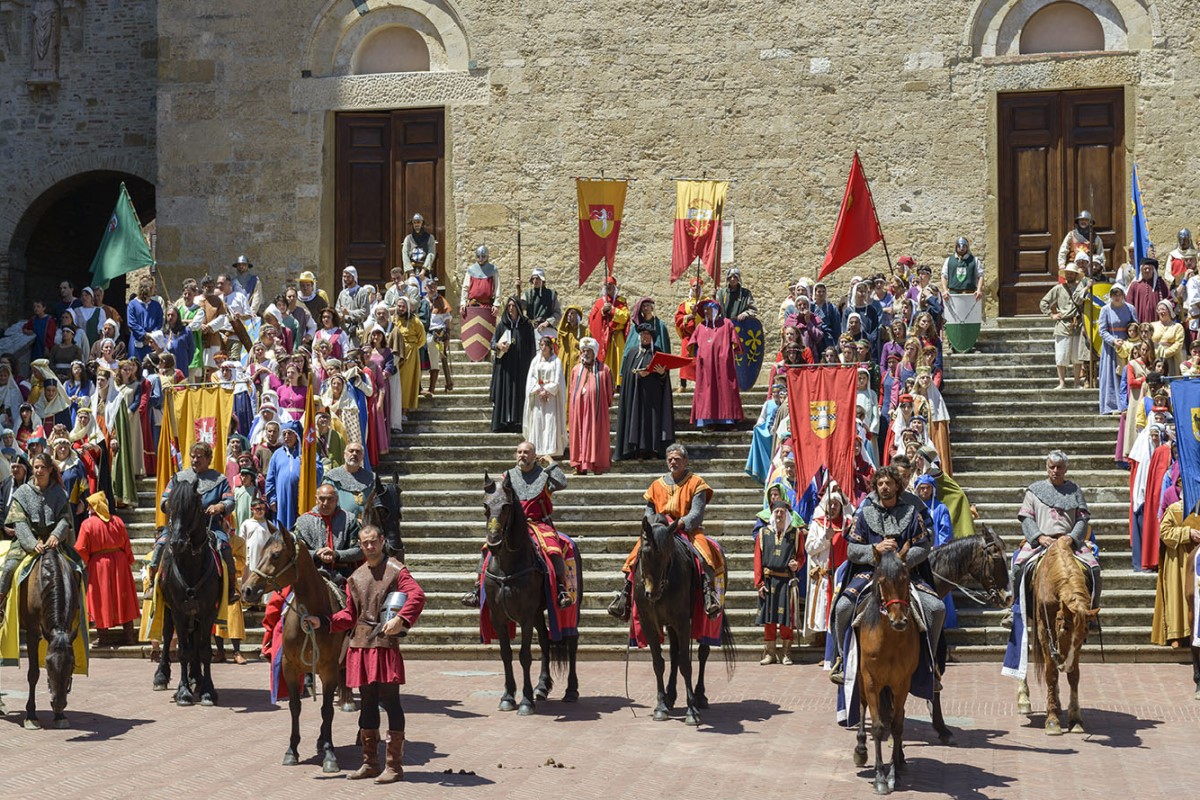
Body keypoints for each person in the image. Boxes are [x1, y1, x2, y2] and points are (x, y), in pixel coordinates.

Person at [307, 525, 425, 783]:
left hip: (384, 643)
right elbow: (349, 615)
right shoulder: (356, 576)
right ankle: (370, 763)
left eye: (374, 542)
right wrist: (323, 621)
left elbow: (417, 595)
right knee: (368, 702)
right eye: (365, 543)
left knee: (391, 701)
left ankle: (394, 767)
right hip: (360, 645)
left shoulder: (396, 570)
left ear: (382, 541)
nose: (370, 547)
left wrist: (402, 619)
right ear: (360, 545)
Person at [829, 466, 944, 687]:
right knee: (843, 607)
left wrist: (900, 561)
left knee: (936, 608)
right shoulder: (864, 514)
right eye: (880, 483)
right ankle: (842, 660)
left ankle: (929, 663)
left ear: (897, 486)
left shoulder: (912, 513)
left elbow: (924, 545)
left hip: (904, 574)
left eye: (888, 483)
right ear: (875, 487)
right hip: (870, 573)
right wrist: (876, 549)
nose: (884, 487)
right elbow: (852, 550)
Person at [608, 444, 723, 620]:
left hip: (686, 529)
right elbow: (649, 511)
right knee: (635, 555)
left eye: (677, 459)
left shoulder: (697, 483)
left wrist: (682, 523)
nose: (673, 462)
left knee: (704, 554)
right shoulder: (656, 485)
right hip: (659, 531)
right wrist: (655, 526)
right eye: (670, 459)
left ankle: (709, 594)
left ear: (685, 461)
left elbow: (697, 513)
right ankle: (625, 595)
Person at [1011, 451, 1100, 620]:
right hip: (1041, 542)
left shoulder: (1074, 490)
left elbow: (1082, 519)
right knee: (1018, 568)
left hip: (1070, 542)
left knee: (1094, 570)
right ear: (1047, 468)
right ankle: (1015, 610)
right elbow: (1027, 518)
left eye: (1059, 467)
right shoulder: (1034, 491)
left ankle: (1091, 613)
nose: (1055, 470)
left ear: (1066, 469)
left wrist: (1072, 537)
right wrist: (1038, 537)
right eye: (1052, 467)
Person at [149, 443, 239, 606]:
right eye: (193, 456)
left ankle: (231, 588)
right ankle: (151, 582)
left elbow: (230, 500)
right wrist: (176, 504)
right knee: (161, 545)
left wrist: (220, 506)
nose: (195, 460)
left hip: (209, 526)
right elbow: (164, 501)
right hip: (180, 527)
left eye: (199, 457)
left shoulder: (219, 480)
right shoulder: (179, 478)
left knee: (224, 546)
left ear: (209, 459)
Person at [0, 453, 77, 625]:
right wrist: (32, 543)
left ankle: (76, 606)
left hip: (53, 541)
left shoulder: (59, 493)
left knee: (78, 568)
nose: (39, 470)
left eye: (43, 467)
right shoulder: (22, 493)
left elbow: (65, 518)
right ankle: (1, 604)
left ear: (50, 470)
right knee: (9, 568)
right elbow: (19, 522)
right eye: (36, 467)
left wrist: (56, 535)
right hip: (26, 542)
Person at [74, 489, 139, 646]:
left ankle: (103, 637)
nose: (89, 509)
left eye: (90, 506)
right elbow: (126, 544)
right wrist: (129, 560)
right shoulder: (118, 521)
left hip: (98, 565)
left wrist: (85, 563)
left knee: (100, 598)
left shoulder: (87, 524)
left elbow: (81, 548)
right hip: (120, 562)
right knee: (123, 596)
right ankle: (129, 635)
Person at [754, 500, 804, 666]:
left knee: (786, 619)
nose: (779, 515)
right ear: (772, 514)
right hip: (768, 581)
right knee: (769, 620)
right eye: (777, 512)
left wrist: (797, 564)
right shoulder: (763, 533)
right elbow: (757, 560)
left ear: (787, 514)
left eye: (782, 512)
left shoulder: (795, 534)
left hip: (786, 581)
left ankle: (786, 653)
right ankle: (770, 653)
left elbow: (801, 556)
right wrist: (759, 583)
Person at [615, 322, 675, 460]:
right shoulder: (632, 353)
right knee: (636, 421)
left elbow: (664, 380)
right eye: (642, 334)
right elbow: (628, 375)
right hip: (635, 397)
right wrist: (637, 374)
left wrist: (661, 373)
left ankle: (653, 450)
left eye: (647, 335)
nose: (644, 337)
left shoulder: (658, 352)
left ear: (652, 337)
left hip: (654, 398)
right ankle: (638, 450)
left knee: (653, 422)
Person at [1151, 484, 1200, 648]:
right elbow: (1164, 532)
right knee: (1177, 595)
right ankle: (1177, 634)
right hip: (1178, 562)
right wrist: (1188, 533)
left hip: (1198, 562)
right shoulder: (1174, 509)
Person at [803, 482, 850, 642]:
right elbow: (809, 547)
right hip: (824, 574)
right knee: (823, 613)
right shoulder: (818, 524)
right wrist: (825, 539)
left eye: (836, 504)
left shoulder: (848, 524)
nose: (833, 507)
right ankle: (825, 650)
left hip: (843, 576)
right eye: (830, 503)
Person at [690, 299, 743, 428]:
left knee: (726, 389)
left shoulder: (727, 324)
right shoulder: (701, 326)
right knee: (706, 392)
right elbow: (692, 345)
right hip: (706, 367)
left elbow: (736, 343)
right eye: (704, 310)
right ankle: (707, 421)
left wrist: (727, 353)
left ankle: (728, 421)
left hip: (723, 365)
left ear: (715, 310)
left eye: (709, 309)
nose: (706, 312)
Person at [294, 482, 362, 583]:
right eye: (322, 498)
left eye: (330, 499)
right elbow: (295, 551)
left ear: (337, 500)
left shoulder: (350, 520)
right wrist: (317, 554)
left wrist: (336, 554)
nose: (325, 503)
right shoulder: (303, 521)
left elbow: (359, 551)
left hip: (343, 575)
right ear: (316, 499)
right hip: (310, 573)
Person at [567, 337, 614, 476]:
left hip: (596, 411)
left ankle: (596, 465)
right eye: (583, 351)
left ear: (594, 352)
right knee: (580, 435)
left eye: (588, 351)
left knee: (595, 435)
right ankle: (580, 466)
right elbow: (571, 390)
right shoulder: (576, 370)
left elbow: (609, 391)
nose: (585, 354)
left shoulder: (604, 369)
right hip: (579, 412)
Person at [489, 297, 535, 434]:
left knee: (519, 393)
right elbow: (492, 343)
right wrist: (498, 345)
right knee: (504, 392)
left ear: (518, 308)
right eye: (508, 306)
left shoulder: (527, 326)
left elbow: (532, 346)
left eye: (513, 306)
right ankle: (502, 423)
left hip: (522, 367)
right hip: (505, 367)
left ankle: (518, 422)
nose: (510, 308)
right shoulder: (502, 325)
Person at [1040, 259, 1086, 389]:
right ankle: (1062, 382)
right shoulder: (1059, 289)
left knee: (1077, 357)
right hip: (1063, 325)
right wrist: (1051, 315)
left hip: (1077, 324)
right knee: (1061, 355)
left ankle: (1076, 382)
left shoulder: (1081, 288)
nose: (1070, 275)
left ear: (1076, 275)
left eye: (1072, 273)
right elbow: (1044, 302)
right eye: (1068, 273)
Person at [523, 332, 567, 458]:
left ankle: (551, 449)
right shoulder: (535, 361)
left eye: (545, 345)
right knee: (538, 421)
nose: (543, 347)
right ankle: (537, 448)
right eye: (541, 345)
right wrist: (538, 390)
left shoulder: (556, 362)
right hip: (537, 396)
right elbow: (531, 378)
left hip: (550, 397)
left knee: (549, 421)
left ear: (550, 347)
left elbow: (557, 379)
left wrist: (546, 390)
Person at [1097, 284, 1138, 415]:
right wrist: (1113, 341)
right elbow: (1102, 330)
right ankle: (1111, 405)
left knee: (1126, 374)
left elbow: (1135, 325)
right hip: (1112, 347)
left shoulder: (1130, 308)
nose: (1117, 297)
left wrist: (1130, 340)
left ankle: (1126, 404)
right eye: (1114, 294)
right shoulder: (1105, 309)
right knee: (1111, 374)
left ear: (1123, 295)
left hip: (1127, 345)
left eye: (1119, 294)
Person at [265, 421, 312, 531]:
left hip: (301, 496)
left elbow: (318, 470)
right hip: (283, 497)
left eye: (290, 433)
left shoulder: (305, 453)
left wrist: (307, 464)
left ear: (296, 435)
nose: (286, 437)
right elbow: (270, 478)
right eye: (284, 434)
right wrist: (272, 499)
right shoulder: (277, 454)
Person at [388, 296, 426, 423]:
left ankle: (404, 410)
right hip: (395, 352)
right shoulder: (393, 320)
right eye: (398, 306)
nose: (400, 308)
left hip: (410, 354)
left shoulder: (415, 322)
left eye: (403, 306)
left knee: (406, 383)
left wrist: (411, 348)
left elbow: (422, 340)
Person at [588, 277, 630, 387]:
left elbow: (625, 317)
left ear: (615, 287)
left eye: (611, 285)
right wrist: (602, 312)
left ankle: (619, 385)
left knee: (619, 361)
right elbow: (592, 319)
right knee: (606, 362)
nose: (608, 287)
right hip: (604, 338)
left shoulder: (621, 301)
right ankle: (606, 383)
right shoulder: (599, 302)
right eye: (606, 285)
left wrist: (612, 310)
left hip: (618, 336)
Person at [324, 441, 374, 521]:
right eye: (351, 451)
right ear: (344, 455)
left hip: (366, 526)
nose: (354, 454)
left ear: (362, 456)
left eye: (358, 452)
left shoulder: (371, 478)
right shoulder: (332, 477)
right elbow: (325, 504)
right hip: (340, 525)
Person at [674, 276, 706, 389]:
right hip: (689, 335)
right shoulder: (685, 304)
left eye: (698, 287)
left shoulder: (706, 302)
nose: (696, 289)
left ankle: (702, 383)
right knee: (684, 358)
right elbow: (678, 318)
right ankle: (683, 384)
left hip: (703, 336)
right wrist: (690, 316)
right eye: (694, 286)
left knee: (703, 360)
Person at [1057, 210, 1106, 274]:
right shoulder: (1071, 235)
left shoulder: (1095, 237)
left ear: (1090, 222)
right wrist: (1061, 264)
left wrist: (1101, 266)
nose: (1083, 222)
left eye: (1086, 220)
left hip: (1089, 268)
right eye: (1081, 220)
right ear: (1078, 222)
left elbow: (1101, 253)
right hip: (1073, 267)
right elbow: (1063, 251)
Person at [459, 245, 501, 316]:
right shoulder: (471, 270)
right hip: (473, 305)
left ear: (487, 256)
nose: (480, 259)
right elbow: (465, 288)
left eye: (483, 256)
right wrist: (463, 303)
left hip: (487, 307)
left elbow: (497, 287)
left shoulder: (493, 269)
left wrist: (496, 304)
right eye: (478, 256)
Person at [1127, 257, 1170, 326]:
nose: (1147, 270)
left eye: (1149, 269)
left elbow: (1169, 299)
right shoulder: (1135, 285)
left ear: (1153, 270)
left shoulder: (1160, 284)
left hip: (1158, 322)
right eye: (1145, 269)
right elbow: (1129, 304)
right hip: (1139, 322)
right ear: (1141, 270)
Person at [941, 236, 985, 301]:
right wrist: (945, 290)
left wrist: (979, 290)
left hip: (970, 294)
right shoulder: (949, 260)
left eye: (964, 246)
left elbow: (980, 276)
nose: (961, 248)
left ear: (967, 247)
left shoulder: (975, 260)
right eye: (959, 246)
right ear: (956, 247)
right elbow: (944, 276)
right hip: (953, 295)